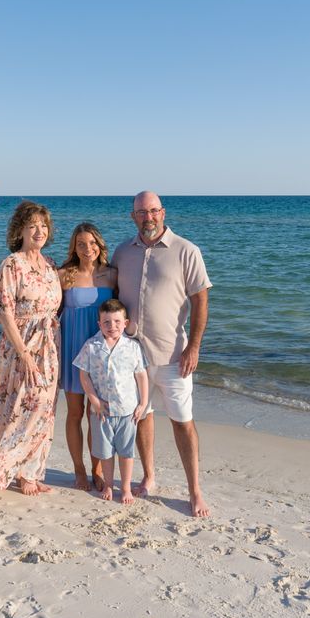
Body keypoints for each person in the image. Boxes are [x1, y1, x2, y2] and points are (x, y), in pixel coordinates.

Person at [112, 191, 213, 518]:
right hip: (132, 357)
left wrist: (194, 346)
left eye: (154, 211)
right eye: (142, 212)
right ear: (133, 217)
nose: (149, 217)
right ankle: (149, 476)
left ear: (163, 213)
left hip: (173, 356)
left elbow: (200, 301)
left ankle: (195, 491)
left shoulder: (186, 251)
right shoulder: (122, 252)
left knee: (183, 422)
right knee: (141, 415)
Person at [0, 201, 62, 496]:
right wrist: (25, 354)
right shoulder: (12, 264)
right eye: (33, 225)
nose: (39, 231)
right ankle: (3, 469)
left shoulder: (51, 264)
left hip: (50, 346)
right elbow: (3, 310)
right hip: (22, 345)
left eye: (43, 225)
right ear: (20, 230)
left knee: (45, 409)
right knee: (23, 406)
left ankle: (29, 474)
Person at [57, 223, 117, 491]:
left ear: (100, 245)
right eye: (81, 244)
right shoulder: (64, 275)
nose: (87, 249)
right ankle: (79, 471)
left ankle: (96, 469)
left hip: (100, 353)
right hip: (72, 348)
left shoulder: (111, 275)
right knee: (74, 412)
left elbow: (120, 314)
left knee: (97, 413)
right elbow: (52, 313)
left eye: (92, 243)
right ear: (74, 247)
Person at [73, 298, 148, 505]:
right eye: (106, 322)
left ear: (126, 323)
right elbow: (84, 376)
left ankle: (124, 487)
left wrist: (143, 403)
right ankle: (107, 484)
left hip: (127, 410)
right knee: (105, 452)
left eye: (117, 322)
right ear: (99, 324)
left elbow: (141, 375)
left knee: (126, 451)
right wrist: (94, 401)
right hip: (102, 411)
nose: (112, 326)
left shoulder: (133, 347)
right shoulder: (91, 346)